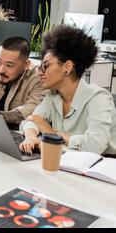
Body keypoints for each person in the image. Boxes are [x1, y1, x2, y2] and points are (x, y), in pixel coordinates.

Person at [19, 25, 116, 156]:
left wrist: (51, 134)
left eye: (45, 66)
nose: (40, 72)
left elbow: (95, 145)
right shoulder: (53, 96)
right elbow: (32, 120)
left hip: (104, 167)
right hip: (69, 161)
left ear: (67, 67)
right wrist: (30, 137)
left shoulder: (99, 98)